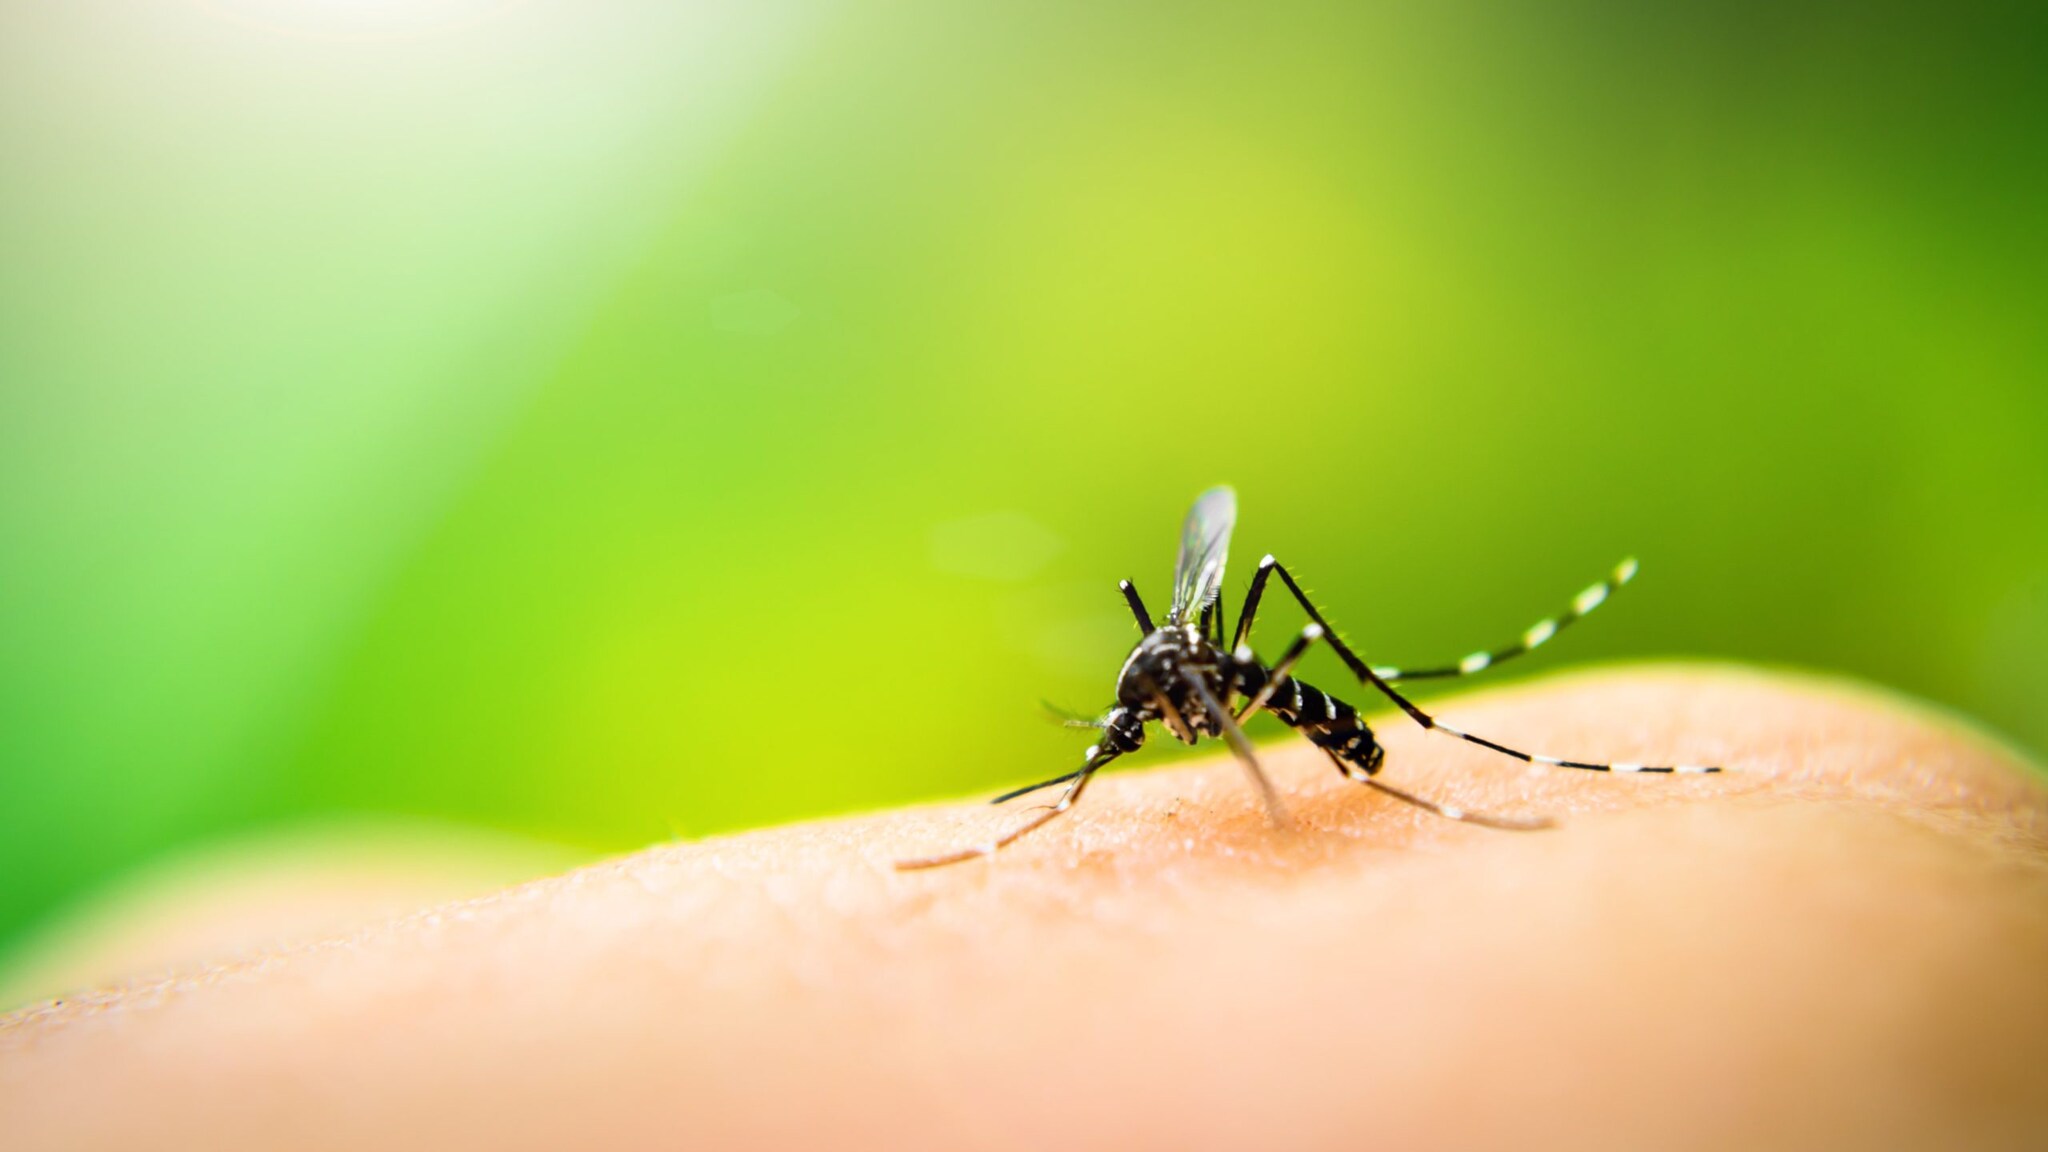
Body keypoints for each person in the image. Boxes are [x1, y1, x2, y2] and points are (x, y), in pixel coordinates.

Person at [3, 666, 2045, 1150]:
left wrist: (1314, 752)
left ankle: (1424, 754)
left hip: (1357, 737)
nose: (1132, 730)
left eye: (1128, 730)